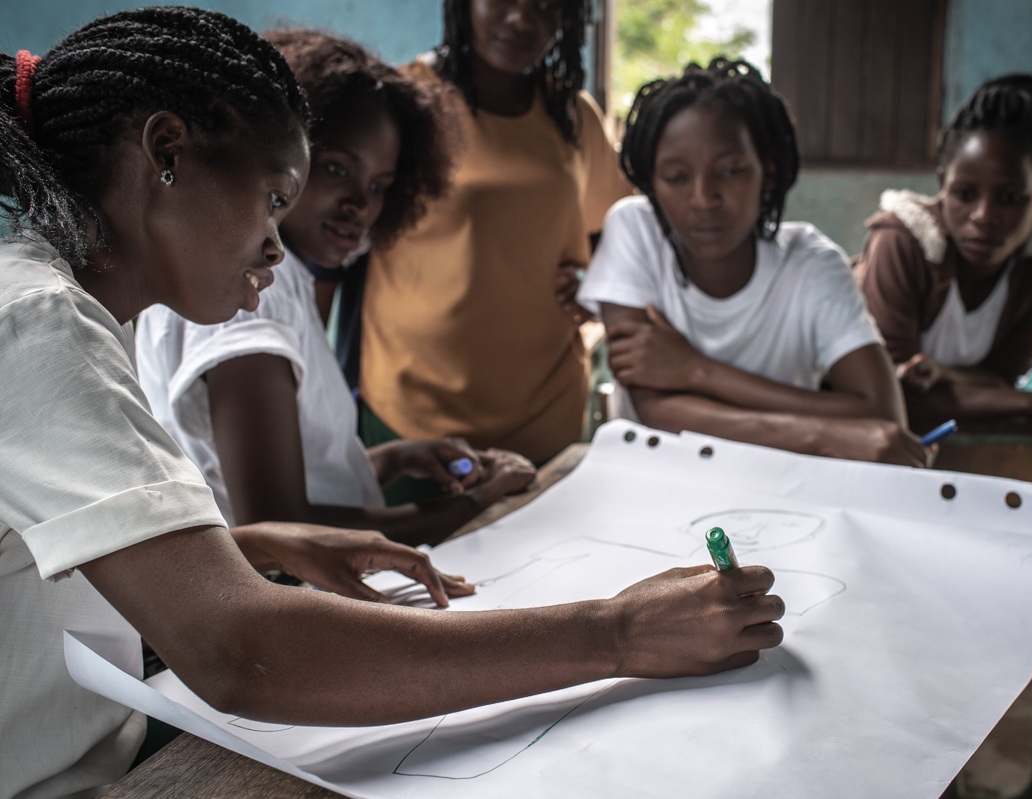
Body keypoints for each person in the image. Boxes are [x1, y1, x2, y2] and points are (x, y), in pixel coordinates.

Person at [0, 10, 784, 799]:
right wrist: (617, 631)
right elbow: (238, 649)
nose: (277, 245)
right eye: (274, 198)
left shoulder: (76, 302)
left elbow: (48, 552)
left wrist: (252, 543)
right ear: (166, 153)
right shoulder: (38, 318)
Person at [136, 29, 535, 544]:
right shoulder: (252, 292)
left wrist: (391, 460)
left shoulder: (284, 278)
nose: (360, 204)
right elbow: (278, 526)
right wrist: (477, 504)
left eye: (378, 186)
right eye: (336, 169)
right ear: (284, 159)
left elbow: (281, 471)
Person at [577, 59, 928, 468]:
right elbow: (658, 411)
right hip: (660, 482)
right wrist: (822, 434)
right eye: (675, 177)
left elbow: (883, 416)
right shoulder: (635, 229)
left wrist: (697, 371)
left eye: (730, 171)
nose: (703, 198)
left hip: (783, 487)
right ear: (651, 184)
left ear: (769, 173)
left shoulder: (812, 265)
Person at [355, 0, 632, 492]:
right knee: (411, 564)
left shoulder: (571, 112)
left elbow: (615, 232)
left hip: (548, 414)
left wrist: (593, 289)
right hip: (414, 418)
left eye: (548, 6)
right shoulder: (404, 102)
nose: (523, 18)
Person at [855, 74, 1032, 453]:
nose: (984, 216)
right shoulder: (902, 243)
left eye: (1010, 198)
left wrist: (946, 377)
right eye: (964, 194)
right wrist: (1029, 404)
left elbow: (1003, 375)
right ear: (942, 182)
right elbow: (887, 397)